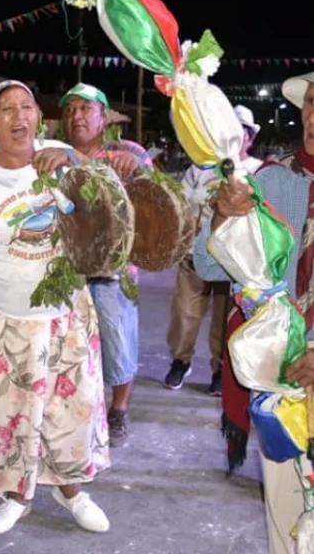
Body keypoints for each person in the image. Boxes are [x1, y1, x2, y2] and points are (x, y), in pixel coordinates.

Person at [0, 80, 110, 534]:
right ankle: (18, 495)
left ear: (39, 116)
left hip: (65, 310)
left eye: (27, 107)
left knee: (68, 409)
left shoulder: (58, 155)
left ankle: (69, 488)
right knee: (10, 411)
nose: (19, 117)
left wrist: (75, 161)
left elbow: (105, 206)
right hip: (2, 314)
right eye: (6, 110)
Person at [195, 70, 314, 554]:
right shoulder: (273, 179)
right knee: (287, 519)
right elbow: (207, 262)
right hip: (281, 372)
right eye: (311, 102)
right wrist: (225, 215)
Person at [58, 83, 146, 447]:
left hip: (115, 271)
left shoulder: (128, 152)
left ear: (104, 116)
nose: (76, 116)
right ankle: (74, 407)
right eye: (70, 111)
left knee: (118, 341)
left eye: (85, 109)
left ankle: (119, 409)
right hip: (67, 268)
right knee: (67, 345)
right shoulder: (54, 154)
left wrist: (136, 168)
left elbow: (153, 197)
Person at [164, 104, 263, 394]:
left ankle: (220, 369)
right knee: (184, 315)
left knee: (224, 319)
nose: (235, 136)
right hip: (194, 256)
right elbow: (180, 203)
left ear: (250, 138)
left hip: (231, 264)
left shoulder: (257, 170)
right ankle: (180, 361)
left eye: (241, 131)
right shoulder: (201, 167)